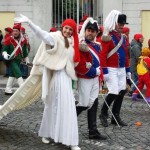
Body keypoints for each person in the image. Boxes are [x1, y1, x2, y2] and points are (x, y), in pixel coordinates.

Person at [14, 14, 81, 150]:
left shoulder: (73, 42)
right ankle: (47, 133)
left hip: (67, 79)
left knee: (67, 108)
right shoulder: (55, 38)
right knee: (53, 106)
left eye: (71, 30)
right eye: (66, 28)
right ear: (63, 27)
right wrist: (30, 23)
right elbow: (42, 34)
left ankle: (70, 140)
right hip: (56, 78)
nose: (68, 31)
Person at [75, 17, 107, 140]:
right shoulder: (81, 44)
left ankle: (93, 131)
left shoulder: (97, 46)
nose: (90, 33)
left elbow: (99, 62)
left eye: (93, 31)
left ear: (96, 33)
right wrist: (95, 71)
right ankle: (66, 124)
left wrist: (101, 74)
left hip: (95, 78)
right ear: (85, 30)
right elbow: (80, 66)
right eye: (89, 30)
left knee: (93, 102)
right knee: (83, 103)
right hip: (85, 78)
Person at [99, 10, 130, 127]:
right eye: (120, 23)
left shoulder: (122, 37)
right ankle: (103, 113)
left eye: (123, 24)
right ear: (114, 23)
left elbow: (125, 55)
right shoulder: (107, 37)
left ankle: (115, 115)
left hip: (121, 69)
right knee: (113, 92)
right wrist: (104, 71)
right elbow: (102, 56)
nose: (122, 26)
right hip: (111, 69)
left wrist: (128, 70)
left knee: (122, 91)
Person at [2, 24, 29, 95]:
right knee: (18, 73)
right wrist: (4, 53)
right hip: (12, 60)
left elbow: (24, 50)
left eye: (16, 31)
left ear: (19, 32)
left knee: (12, 74)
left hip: (18, 60)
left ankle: (8, 89)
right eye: (14, 31)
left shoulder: (23, 40)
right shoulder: (9, 39)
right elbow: (4, 49)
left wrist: (26, 57)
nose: (15, 32)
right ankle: (23, 91)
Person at [130, 33, 144, 98]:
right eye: (142, 38)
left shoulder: (136, 45)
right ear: (138, 39)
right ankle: (132, 90)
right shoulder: (136, 46)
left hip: (134, 65)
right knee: (140, 80)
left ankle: (135, 93)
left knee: (136, 80)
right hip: (136, 65)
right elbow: (138, 57)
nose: (143, 39)